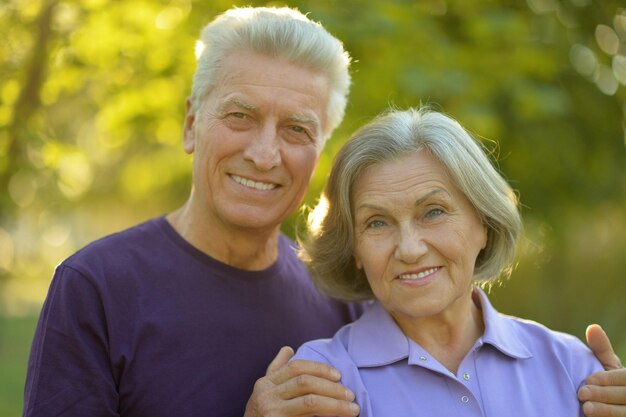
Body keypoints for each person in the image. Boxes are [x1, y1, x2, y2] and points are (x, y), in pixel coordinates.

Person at [21, 6, 626, 417]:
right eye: (239, 116)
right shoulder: (96, 288)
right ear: (189, 124)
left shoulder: (348, 298)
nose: (263, 153)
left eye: (295, 128)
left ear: (320, 152)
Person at [292, 106, 620, 416]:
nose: (409, 249)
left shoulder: (572, 366)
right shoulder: (320, 380)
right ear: (354, 249)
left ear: (485, 225)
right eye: (377, 222)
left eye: (433, 212)